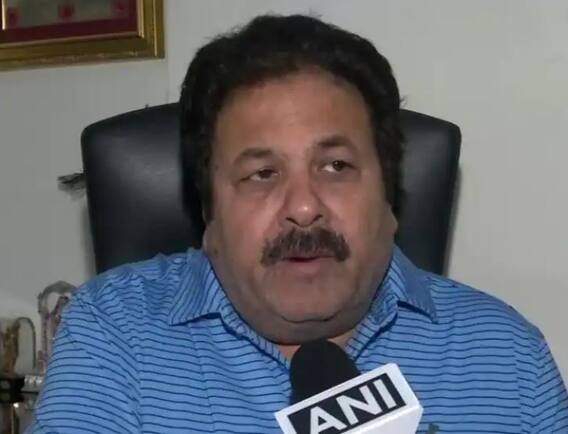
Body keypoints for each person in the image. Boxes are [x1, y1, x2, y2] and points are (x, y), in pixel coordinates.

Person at [28, 14, 567, 433]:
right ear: (209, 212)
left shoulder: (506, 356)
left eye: (336, 167)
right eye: (262, 174)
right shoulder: (115, 332)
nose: (304, 208)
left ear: (389, 196)